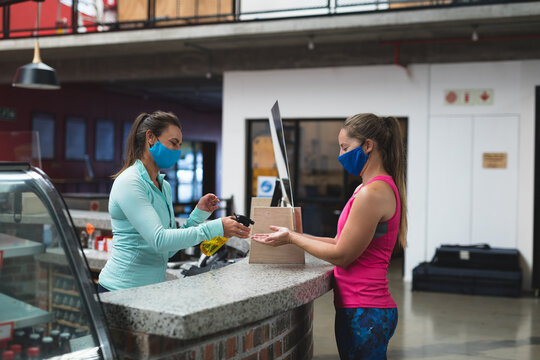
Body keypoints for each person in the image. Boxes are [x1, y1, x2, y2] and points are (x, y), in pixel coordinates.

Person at [252, 113, 407, 360]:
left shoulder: (373, 193)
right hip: (360, 306)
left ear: (368, 145)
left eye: (345, 147)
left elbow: (342, 256)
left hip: (366, 309)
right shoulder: (365, 188)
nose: (340, 154)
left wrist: (293, 238)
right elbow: (339, 241)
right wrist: (294, 235)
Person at [98, 111, 250, 292]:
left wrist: (197, 215)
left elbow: (168, 250)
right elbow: (159, 240)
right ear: (151, 138)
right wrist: (216, 228)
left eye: (179, 145)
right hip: (120, 290)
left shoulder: (164, 186)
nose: (177, 150)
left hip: (149, 290)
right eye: (173, 143)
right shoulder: (130, 182)